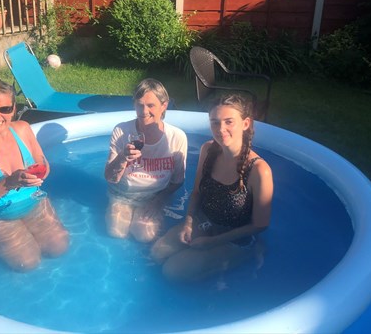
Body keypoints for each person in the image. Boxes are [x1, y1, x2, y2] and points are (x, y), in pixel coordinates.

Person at [150, 94, 273, 281]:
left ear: (245, 123)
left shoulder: (259, 170)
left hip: (236, 239)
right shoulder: (208, 150)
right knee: (157, 253)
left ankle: (248, 254)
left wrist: (212, 242)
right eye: (215, 122)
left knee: (173, 272)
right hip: (206, 223)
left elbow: (260, 224)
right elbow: (197, 192)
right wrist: (189, 222)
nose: (221, 129)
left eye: (228, 122)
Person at [0, 75, 69, 271]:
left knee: (59, 247)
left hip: (33, 202)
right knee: (27, 263)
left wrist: (40, 172)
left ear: (14, 109)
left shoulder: (23, 129)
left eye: (5, 109)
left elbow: (43, 163)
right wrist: (9, 182)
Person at [104, 78, 187, 243]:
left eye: (150, 105)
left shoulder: (176, 137)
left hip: (155, 196)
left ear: (164, 105)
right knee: (116, 232)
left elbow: (178, 181)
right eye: (139, 104)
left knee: (144, 236)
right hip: (123, 194)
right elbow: (110, 178)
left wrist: (158, 201)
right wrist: (122, 157)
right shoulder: (122, 131)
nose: (143, 111)